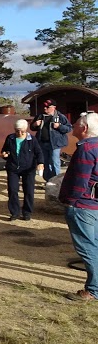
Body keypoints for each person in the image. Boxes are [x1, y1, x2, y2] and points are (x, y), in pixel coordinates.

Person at [58, 112, 98, 301]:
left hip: (83, 206)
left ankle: (93, 290)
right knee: (95, 245)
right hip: (94, 205)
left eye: (75, 124)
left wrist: (69, 200)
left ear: (84, 128)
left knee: (87, 248)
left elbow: (79, 182)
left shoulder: (86, 148)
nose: (72, 126)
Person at [0, 118, 43, 221]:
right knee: (13, 189)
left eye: (21, 131)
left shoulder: (32, 140)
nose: (19, 133)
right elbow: (4, 150)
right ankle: (15, 212)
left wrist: (41, 163)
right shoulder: (10, 138)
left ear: (26, 129)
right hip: (13, 167)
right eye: (17, 130)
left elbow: (39, 152)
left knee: (28, 190)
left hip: (28, 168)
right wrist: (4, 154)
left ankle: (27, 212)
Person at [30, 99, 71, 180]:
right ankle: (48, 180)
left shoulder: (60, 117)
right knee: (45, 162)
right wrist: (35, 124)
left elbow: (69, 128)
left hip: (55, 144)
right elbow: (32, 128)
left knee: (54, 162)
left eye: (47, 107)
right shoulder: (40, 116)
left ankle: (56, 181)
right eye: (44, 106)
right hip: (42, 143)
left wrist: (59, 126)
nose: (45, 108)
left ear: (53, 107)